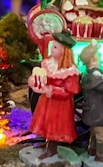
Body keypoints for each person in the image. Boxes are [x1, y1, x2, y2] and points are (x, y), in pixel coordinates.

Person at [27, 31, 81, 160]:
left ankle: (52, 148)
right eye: (53, 45)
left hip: (59, 105)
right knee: (44, 122)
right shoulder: (49, 63)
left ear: (64, 51)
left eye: (55, 47)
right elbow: (43, 78)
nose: (52, 48)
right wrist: (36, 81)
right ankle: (46, 142)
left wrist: (51, 90)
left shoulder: (70, 71)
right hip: (46, 102)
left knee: (54, 126)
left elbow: (70, 91)